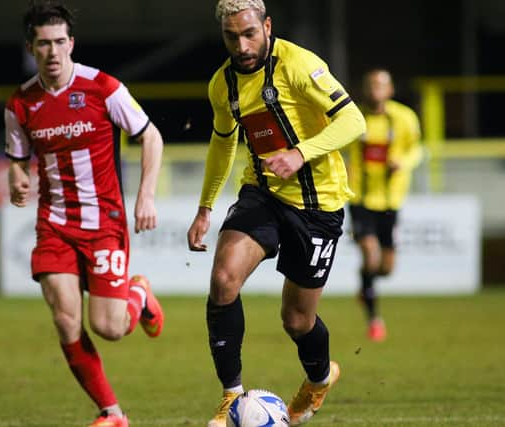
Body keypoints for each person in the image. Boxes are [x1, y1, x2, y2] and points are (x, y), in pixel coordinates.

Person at [186, 1, 366, 425]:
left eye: (250, 33)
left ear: (267, 26)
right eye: (232, 36)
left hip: (318, 204)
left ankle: (319, 379)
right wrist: (205, 207)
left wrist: (300, 154)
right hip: (262, 193)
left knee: (297, 320)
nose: (242, 44)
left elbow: (354, 121)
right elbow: (222, 143)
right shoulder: (223, 84)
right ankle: (232, 396)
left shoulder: (300, 65)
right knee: (223, 278)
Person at [5, 2, 165, 426]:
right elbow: (18, 160)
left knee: (110, 327)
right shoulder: (20, 104)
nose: (53, 52)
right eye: (44, 44)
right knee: (64, 318)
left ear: (71, 43)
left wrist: (145, 196)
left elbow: (151, 137)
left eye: (60, 42)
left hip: (103, 223)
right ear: (31, 48)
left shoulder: (102, 87)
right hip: (54, 224)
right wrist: (17, 177)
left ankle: (138, 296)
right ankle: (112, 413)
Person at [345, 69, 422, 342]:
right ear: (365, 89)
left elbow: (417, 149)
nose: (375, 89)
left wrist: (403, 162)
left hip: (390, 200)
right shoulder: (353, 116)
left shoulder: (404, 118)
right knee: (370, 253)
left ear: (390, 90)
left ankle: (365, 285)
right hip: (359, 199)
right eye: (370, 84)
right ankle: (375, 320)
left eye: (381, 85)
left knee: (386, 268)